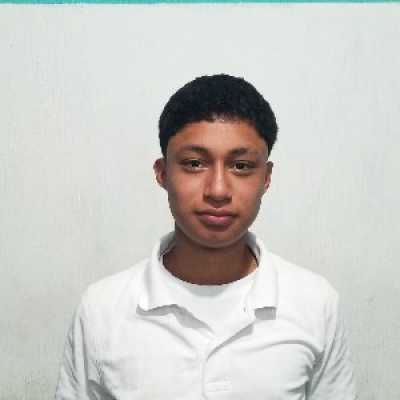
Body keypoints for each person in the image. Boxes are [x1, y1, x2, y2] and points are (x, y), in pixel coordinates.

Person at [55, 74, 357, 399]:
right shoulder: (102, 310)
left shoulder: (314, 304)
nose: (218, 190)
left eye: (241, 166)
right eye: (194, 163)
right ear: (162, 173)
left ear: (266, 178)